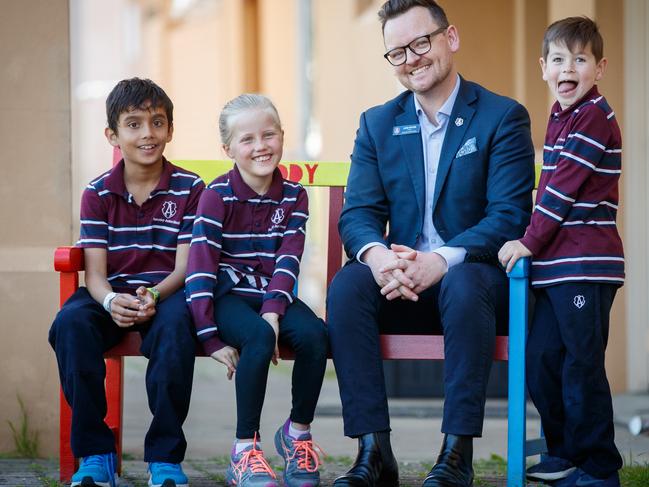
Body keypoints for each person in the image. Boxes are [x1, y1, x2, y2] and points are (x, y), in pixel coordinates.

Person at [326, 0, 536, 485]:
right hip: (403, 284)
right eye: (398, 52)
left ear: (451, 38)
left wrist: (441, 260)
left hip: (475, 287)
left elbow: (509, 214)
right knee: (348, 286)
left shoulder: (502, 117)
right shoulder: (377, 124)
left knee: (463, 283)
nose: (412, 59)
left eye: (420, 43)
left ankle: (456, 455)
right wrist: (379, 258)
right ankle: (373, 453)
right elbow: (358, 214)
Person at [49, 78, 204, 487]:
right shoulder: (97, 192)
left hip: (167, 292)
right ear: (113, 135)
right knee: (70, 324)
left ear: (170, 129)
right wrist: (110, 301)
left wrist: (154, 294)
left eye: (157, 122)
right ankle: (96, 453)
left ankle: (165, 457)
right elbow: (95, 274)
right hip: (111, 292)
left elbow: (186, 267)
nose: (147, 133)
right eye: (133, 124)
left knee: (175, 330)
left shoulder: (191, 188)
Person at [499, 16, 624, 487]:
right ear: (543, 68)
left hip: (585, 265)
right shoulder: (560, 115)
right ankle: (564, 451)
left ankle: (598, 465)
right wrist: (537, 250)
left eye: (579, 59)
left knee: (581, 365)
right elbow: (548, 186)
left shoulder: (594, 116)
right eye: (558, 59)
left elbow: (560, 191)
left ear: (599, 68)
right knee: (542, 361)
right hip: (555, 267)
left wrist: (527, 241)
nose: (567, 68)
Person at [185, 94, 327, 487]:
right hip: (226, 296)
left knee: (316, 335)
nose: (260, 146)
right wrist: (210, 337)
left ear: (282, 136)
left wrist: (273, 309)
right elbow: (200, 268)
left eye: (269, 135)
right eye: (247, 139)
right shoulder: (216, 196)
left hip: (272, 295)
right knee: (261, 338)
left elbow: (289, 259)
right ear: (228, 149)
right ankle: (244, 448)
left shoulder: (295, 196)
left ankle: (297, 435)